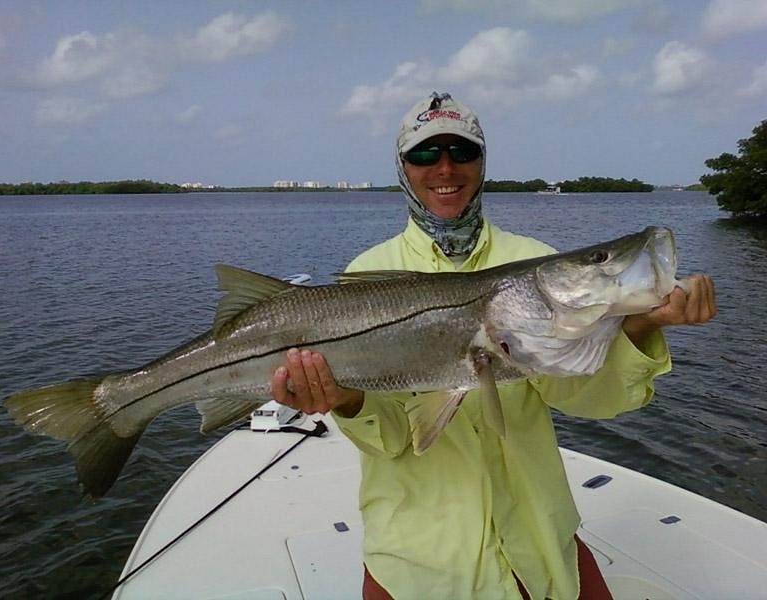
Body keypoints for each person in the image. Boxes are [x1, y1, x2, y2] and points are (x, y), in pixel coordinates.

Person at [271, 92, 717, 600]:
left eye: (463, 152)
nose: (445, 168)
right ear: (403, 166)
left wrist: (638, 329)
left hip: (540, 547)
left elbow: (586, 397)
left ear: (483, 163)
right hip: (422, 563)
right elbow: (396, 439)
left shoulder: (534, 261)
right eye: (425, 154)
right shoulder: (362, 281)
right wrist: (346, 400)